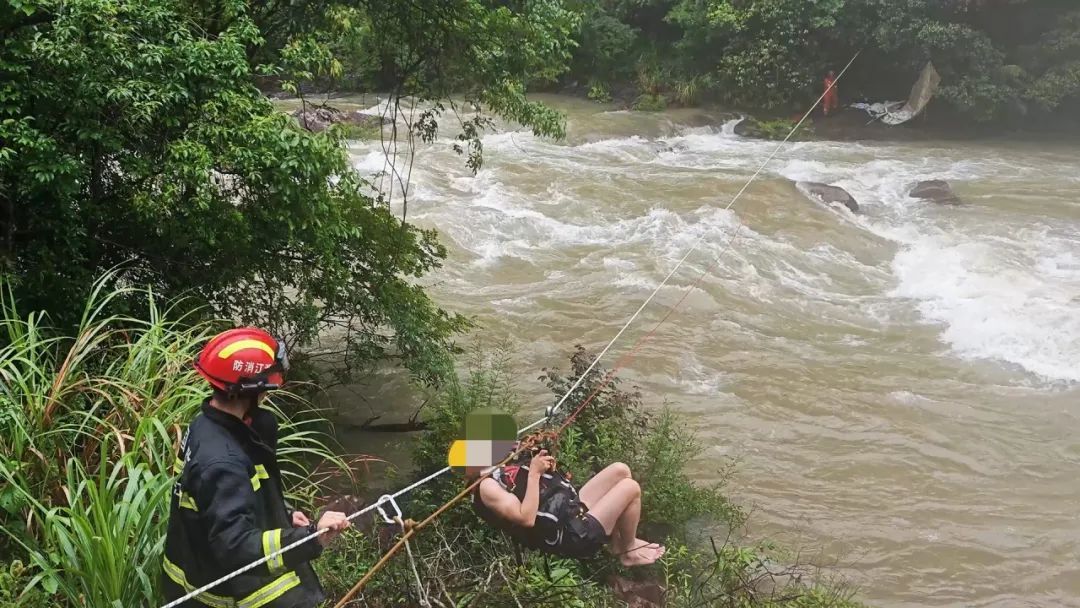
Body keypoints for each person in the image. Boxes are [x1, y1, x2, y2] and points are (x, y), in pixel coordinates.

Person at [162, 327, 351, 608]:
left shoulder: (207, 426)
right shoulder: (222, 461)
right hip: (223, 595)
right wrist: (311, 538)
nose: (266, 394)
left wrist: (283, 514)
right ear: (247, 391)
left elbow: (228, 501)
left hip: (194, 567)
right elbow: (235, 546)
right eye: (265, 388)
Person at [470, 441, 665, 567]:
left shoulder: (500, 465)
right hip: (568, 535)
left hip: (567, 511)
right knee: (631, 488)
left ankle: (616, 543)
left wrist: (542, 464)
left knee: (620, 470)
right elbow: (526, 518)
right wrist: (534, 473)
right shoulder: (487, 486)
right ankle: (628, 551)